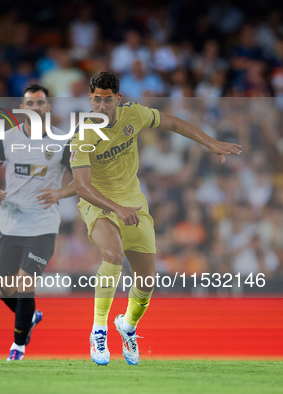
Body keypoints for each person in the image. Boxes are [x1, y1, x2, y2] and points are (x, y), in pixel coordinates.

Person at [70, 71, 241, 365]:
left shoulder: (133, 114)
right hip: (98, 203)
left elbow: (172, 122)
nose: (101, 105)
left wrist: (209, 142)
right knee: (112, 256)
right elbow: (83, 188)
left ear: (117, 99)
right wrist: (116, 208)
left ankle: (127, 327)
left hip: (133, 202)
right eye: (96, 99)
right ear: (90, 99)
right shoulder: (83, 134)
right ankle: (98, 330)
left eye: (107, 100)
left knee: (146, 282)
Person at [0, 84, 75, 361]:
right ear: (23, 108)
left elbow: (83, 182)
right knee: (3, 290)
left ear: (48, 108)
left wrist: (59, 192)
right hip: (10, 225)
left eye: (40, 104)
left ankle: (17, 348)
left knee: (23, 284)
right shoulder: (7, 139)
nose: (35, 108)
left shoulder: (61, 141)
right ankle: (31, 316)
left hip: (43, 225)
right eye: (29, 104)